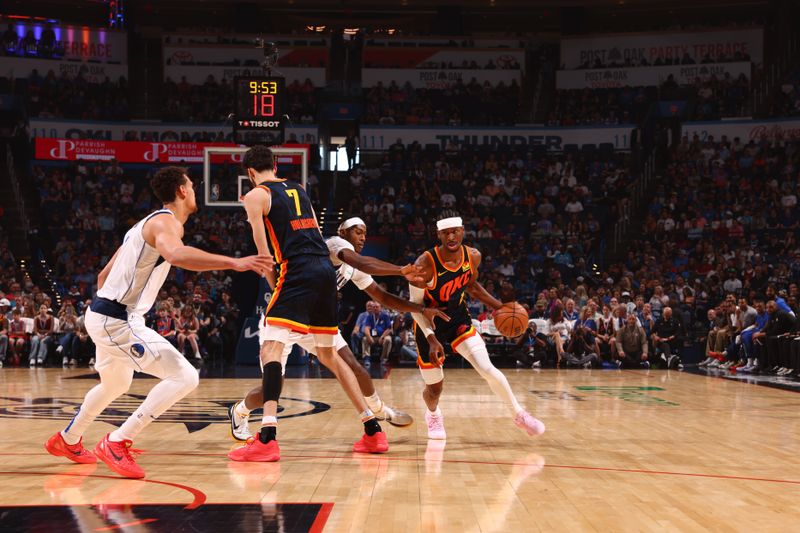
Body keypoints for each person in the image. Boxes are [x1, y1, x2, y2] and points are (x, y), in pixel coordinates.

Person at [45, 166, 272, 479]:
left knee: (116, 384)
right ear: (181, 190)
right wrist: (235, 262)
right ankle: (117, 441)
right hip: (117, 319)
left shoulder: (142, 225)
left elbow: (102, 276)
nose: (194, 191)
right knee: (186, 377)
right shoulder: (166, 222)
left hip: (104, 313)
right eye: (191, 186)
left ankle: (68, 440)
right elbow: (177, 255)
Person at [228, 146, 389, 462]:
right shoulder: (298, 188)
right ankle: (373, 431)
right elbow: (314, 232)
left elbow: (264, 255)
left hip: (297, 271)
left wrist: (277, 287)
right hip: (325, 272)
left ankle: (267, 438)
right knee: (330, 355)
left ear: (249, 173)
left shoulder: (255, 196)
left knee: (271, 349)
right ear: (275, 165)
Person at [228, 217, 448, 441]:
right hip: (286, 317)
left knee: (355, 369)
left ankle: (380, 411)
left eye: (365, 233)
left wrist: (419, 308)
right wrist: (401, 270)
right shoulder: (334, 245)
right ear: (342, 232)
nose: (362, 237)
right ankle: (240, 411)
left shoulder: (353, 266)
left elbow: (382, 296)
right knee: (272, 389)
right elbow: (361, 262)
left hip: (317, 322)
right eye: (357, 231)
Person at [409, 216, 545, 440]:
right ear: (439, 235)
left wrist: (499, 308)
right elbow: (415, 307)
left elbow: (471, 286)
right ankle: (432, 414)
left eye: (455, 231)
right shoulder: (424, 263)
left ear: (462, 231)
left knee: (486, 367)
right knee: (434, 389)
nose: (451, 237)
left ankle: (519, 414)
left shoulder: (473, 256)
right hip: (429, 323)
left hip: (457, 318)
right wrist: (431, 338)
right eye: (446, 233)